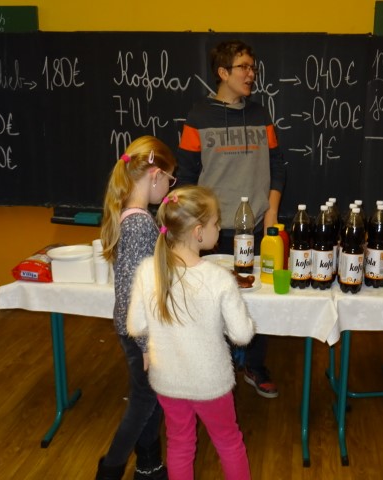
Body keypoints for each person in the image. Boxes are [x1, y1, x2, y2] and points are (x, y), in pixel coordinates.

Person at [176, 39, 286, 399]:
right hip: (212, 232)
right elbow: (187, 178)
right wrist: (191, 228)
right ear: (223, 72)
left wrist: (271, 213)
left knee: (259, 300)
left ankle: (255, 365)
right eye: (244, 67)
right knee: (212, 302)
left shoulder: (260, 115)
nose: (251, 74)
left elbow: (277, 168)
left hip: (256, 227)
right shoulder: (198, 117)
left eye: (253, 67)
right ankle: (213, 366)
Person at [127, 185, 254, 480]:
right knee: (229, 442)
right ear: (198, 232)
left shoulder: (148, 271)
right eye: (216, 223)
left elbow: (135, 325)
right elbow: (242, 334)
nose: (219, 228)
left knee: (180, 443)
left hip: (168, 381)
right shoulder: (218, 278)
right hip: (211, 383)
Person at [97, 135, 177, 480]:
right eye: (170, 179)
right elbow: (133, 290)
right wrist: (146, 343)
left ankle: (149, 466)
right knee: (144, 400)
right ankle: (110, 469)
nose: (171, 187)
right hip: (141, 332)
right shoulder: (140, 223)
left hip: (138, 329)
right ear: (155, 175)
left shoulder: (133, 217)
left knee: (151, 398)